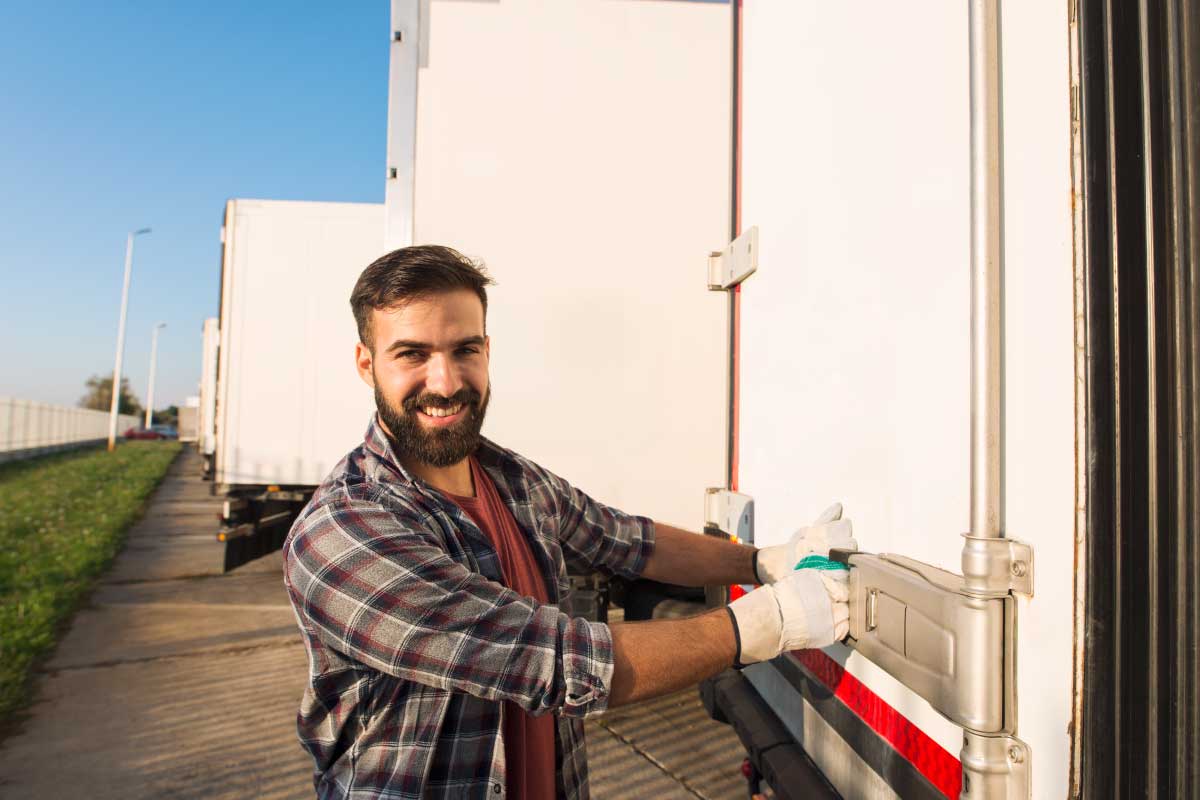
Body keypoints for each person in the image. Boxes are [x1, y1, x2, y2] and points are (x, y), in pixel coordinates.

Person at [282, 245, 857, 800]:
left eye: (465, 350)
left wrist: (762, 561)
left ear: (487, 350)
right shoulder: (342, 531)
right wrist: (768, 624)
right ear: (366, 364)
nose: (447, 381)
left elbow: (629, 542)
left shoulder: (512, 479)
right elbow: (555, 661)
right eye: (412, 354)